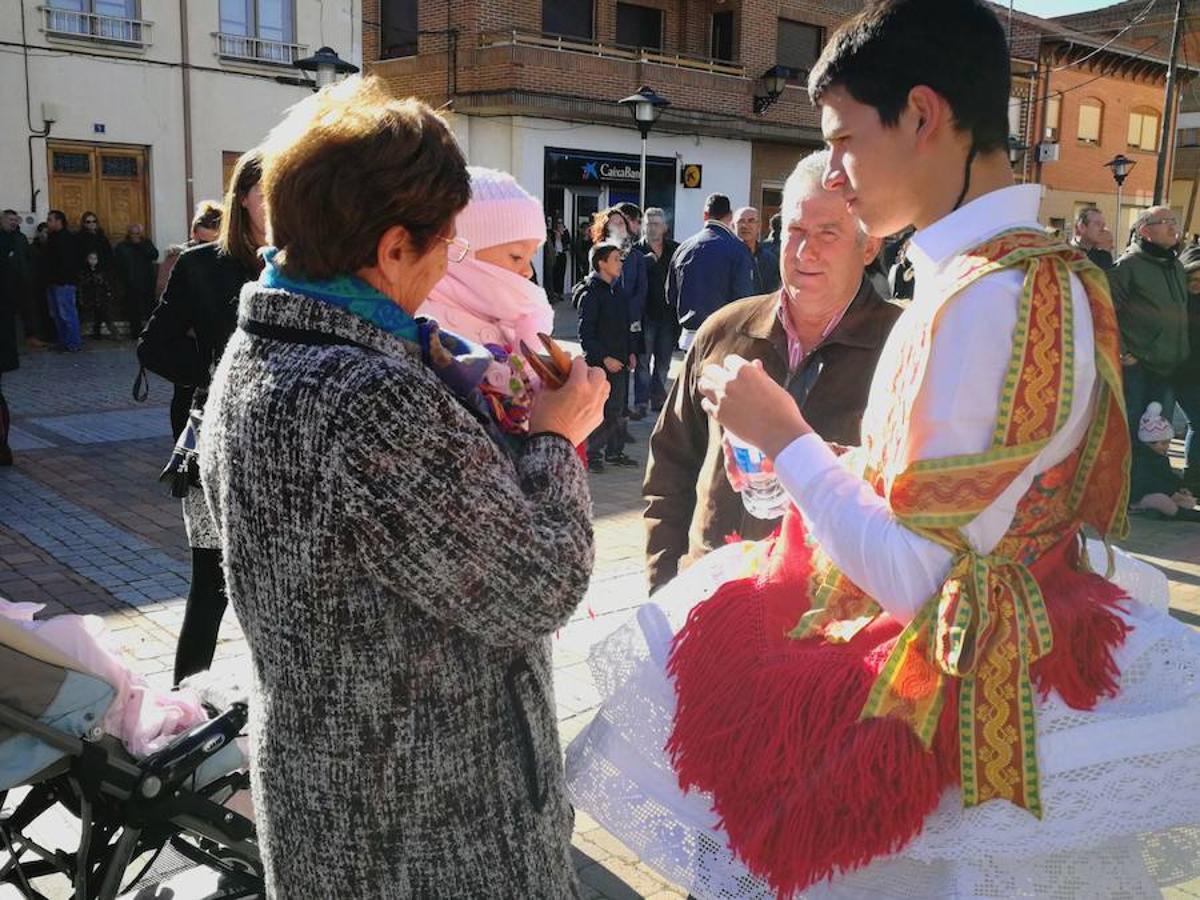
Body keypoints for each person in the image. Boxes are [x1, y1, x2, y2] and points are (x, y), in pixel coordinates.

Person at [566, 2, 1200, 897]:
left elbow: (933, 584)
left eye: (845, 138)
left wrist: (784, 437)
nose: (833, 169)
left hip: (943, 721)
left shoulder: (984, 299)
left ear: (925, 115)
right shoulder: (1038, 274)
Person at [198, 76, 608, 897]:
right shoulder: (366, 396)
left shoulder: (264, 345)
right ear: (391, 250)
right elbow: (537, 586)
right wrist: (556, 439)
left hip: (332, 801)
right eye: (445, 245)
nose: (447, 265)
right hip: (431, 827)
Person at [643, 151, 901, 593]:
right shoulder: (723, 331)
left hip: (828, 627)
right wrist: (665, 584)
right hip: (710, 604)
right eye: (794, 230)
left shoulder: (903, 348)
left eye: (828, 233)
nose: (805, 251)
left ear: (870, 244)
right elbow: (670, 465)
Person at [139, 150, 264, 685]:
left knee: (281, 590)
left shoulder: (312, 266)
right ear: (242, 198)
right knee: (209, 583)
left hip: (288, 447)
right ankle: (185, 706)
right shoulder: (199, 265)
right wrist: (217, 375)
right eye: (268, 193)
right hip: (213, 442)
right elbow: (154, 348)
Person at [1109, 205, 1190, 435]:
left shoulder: (1175, 264)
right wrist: (1125, 353)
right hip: (1139, 369)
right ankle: (1134, 472)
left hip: (1169, 367)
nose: (1174, 227)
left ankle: (1156, 471)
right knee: (1134, 431)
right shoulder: (1128, 266)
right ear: (1145, 231)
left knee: (1159, 433)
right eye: (1166, 222)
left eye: (1174, 221)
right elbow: (1105, 311)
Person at [154, 202, 224, 440]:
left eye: (212, 242)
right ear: (194, 232)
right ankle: (181, 448)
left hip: (218, 340)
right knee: (184, 394)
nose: (207, 247)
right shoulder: (179, 259)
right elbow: (164, 296)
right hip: (188, 339)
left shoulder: (228, 258)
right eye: (202, 241)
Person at [577, 241, 639, 472]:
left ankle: (615, 452)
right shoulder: (591, 293)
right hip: (600, 364)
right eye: (615, 259)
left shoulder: (618, 291)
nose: (620, 263)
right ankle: (593, 455)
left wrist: (632, 351)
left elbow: (627, 326)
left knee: (618, 409)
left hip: (621, 361)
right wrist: (604, 359)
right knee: (599, 411)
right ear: (601, 263)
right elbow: (585, 334)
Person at [667, 193, 755, 351]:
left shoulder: (683, 248)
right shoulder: (738, 249)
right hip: (724, 336)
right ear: (729, 216)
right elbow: (744, 299)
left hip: (690, 336)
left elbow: (671, 295)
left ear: (705, 215)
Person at [634, 206, 679, 417]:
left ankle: (658, 398)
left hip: (669, 317)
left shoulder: (675, 250)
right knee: (643, 362)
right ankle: (641, 401)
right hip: (645, 316)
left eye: (656, 224)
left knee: (663, 361)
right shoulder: (635, 252)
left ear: (665, 227)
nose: (652, 228)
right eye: (648, 223)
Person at [1130, 402, 1200, 521]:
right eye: (1163, 443)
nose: (1167, 447)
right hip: (1140, 495)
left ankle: (1161, 512)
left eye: (1168, 442)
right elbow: (1148, 482)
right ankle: (1181, 514)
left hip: (1161, 491)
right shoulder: (1140, 459)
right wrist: (1171, 492)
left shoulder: (1161, 457)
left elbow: (1168, 476)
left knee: (1188, 500)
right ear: (1149, 442)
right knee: (1162, 501)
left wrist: (1180, 487)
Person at [0, 210, 41, 350]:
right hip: (5, 284)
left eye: (15, 219)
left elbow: (29, 258)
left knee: (28, 311)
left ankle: (31, 338)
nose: (13, 222)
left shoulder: (21, 238)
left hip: (23, 282)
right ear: (2, 220)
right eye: (9, 219)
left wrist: (30, 275)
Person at [1177, 245, 1200, 491]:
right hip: (1175, 371)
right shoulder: (1177, 302)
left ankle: (1193, 478)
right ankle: (1192, 478)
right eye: (1192, 278)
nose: (1197, 283)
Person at [44, 210, 82, 353]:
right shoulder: (52, 238)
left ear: (58, 221)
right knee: (57, 315)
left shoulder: (67, 238)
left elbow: (69, 262)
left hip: (64, 283)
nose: (48, 223)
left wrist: (63, 279)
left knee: (67, 314)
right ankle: (63, 342)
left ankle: (73, 343)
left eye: (50, 220)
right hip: (53, 282)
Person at [114, 223, 159, 333]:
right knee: (133, 310)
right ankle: (135, 332)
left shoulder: (146, 243)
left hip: (146, 282)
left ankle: (152, 332)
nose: (135, 236)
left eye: (137, 233)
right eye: (133, 233)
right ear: (128, 234)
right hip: (130, 283)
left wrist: (141, 245)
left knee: (149, 308)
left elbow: (154, 255)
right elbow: (118, 264)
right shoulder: (122, 246)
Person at [733, 206, 781, 295]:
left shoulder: (769, 259)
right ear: (733, 226)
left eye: (751, 221)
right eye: (741, 221)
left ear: (759, 226)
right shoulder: (724, 256)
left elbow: (772, 294)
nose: (745, 225)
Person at [77, 250, 118, 339]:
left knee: (104, 315)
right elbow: (82, 284)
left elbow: (106, 283)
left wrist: (108, 292)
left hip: (100, 296)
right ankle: (86, 333)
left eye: (95, 258)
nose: (93, 261)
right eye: (91, 258)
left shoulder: (101, 270)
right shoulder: (84, 271)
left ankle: (113, 333)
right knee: (88, 315)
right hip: (89, 296)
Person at [1071, 205, 1114, 270]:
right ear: (1082, 227)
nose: (1103, 229)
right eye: (1098, 224)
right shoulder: (1067, 253)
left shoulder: (1103, 255)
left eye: (1103, 225)